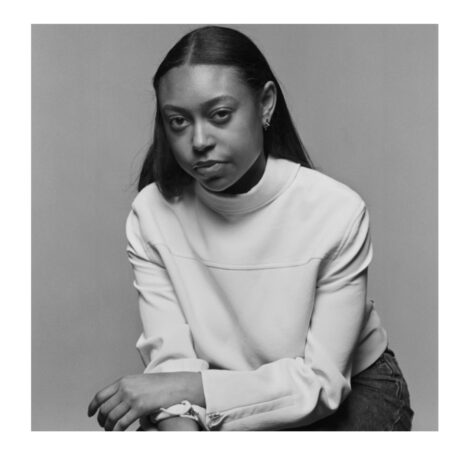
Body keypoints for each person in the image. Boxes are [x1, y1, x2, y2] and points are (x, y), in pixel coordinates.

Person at [87, 25, 414, 431]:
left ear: (265, 104)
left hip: (348, 389)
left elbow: (321, 384)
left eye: (220, 115)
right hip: (215, 390)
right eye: (178, 121)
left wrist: (187, 388)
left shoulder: (337, 211)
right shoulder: (151, 213)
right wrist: (181, 420)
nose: (199, 139)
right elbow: (169, 364)